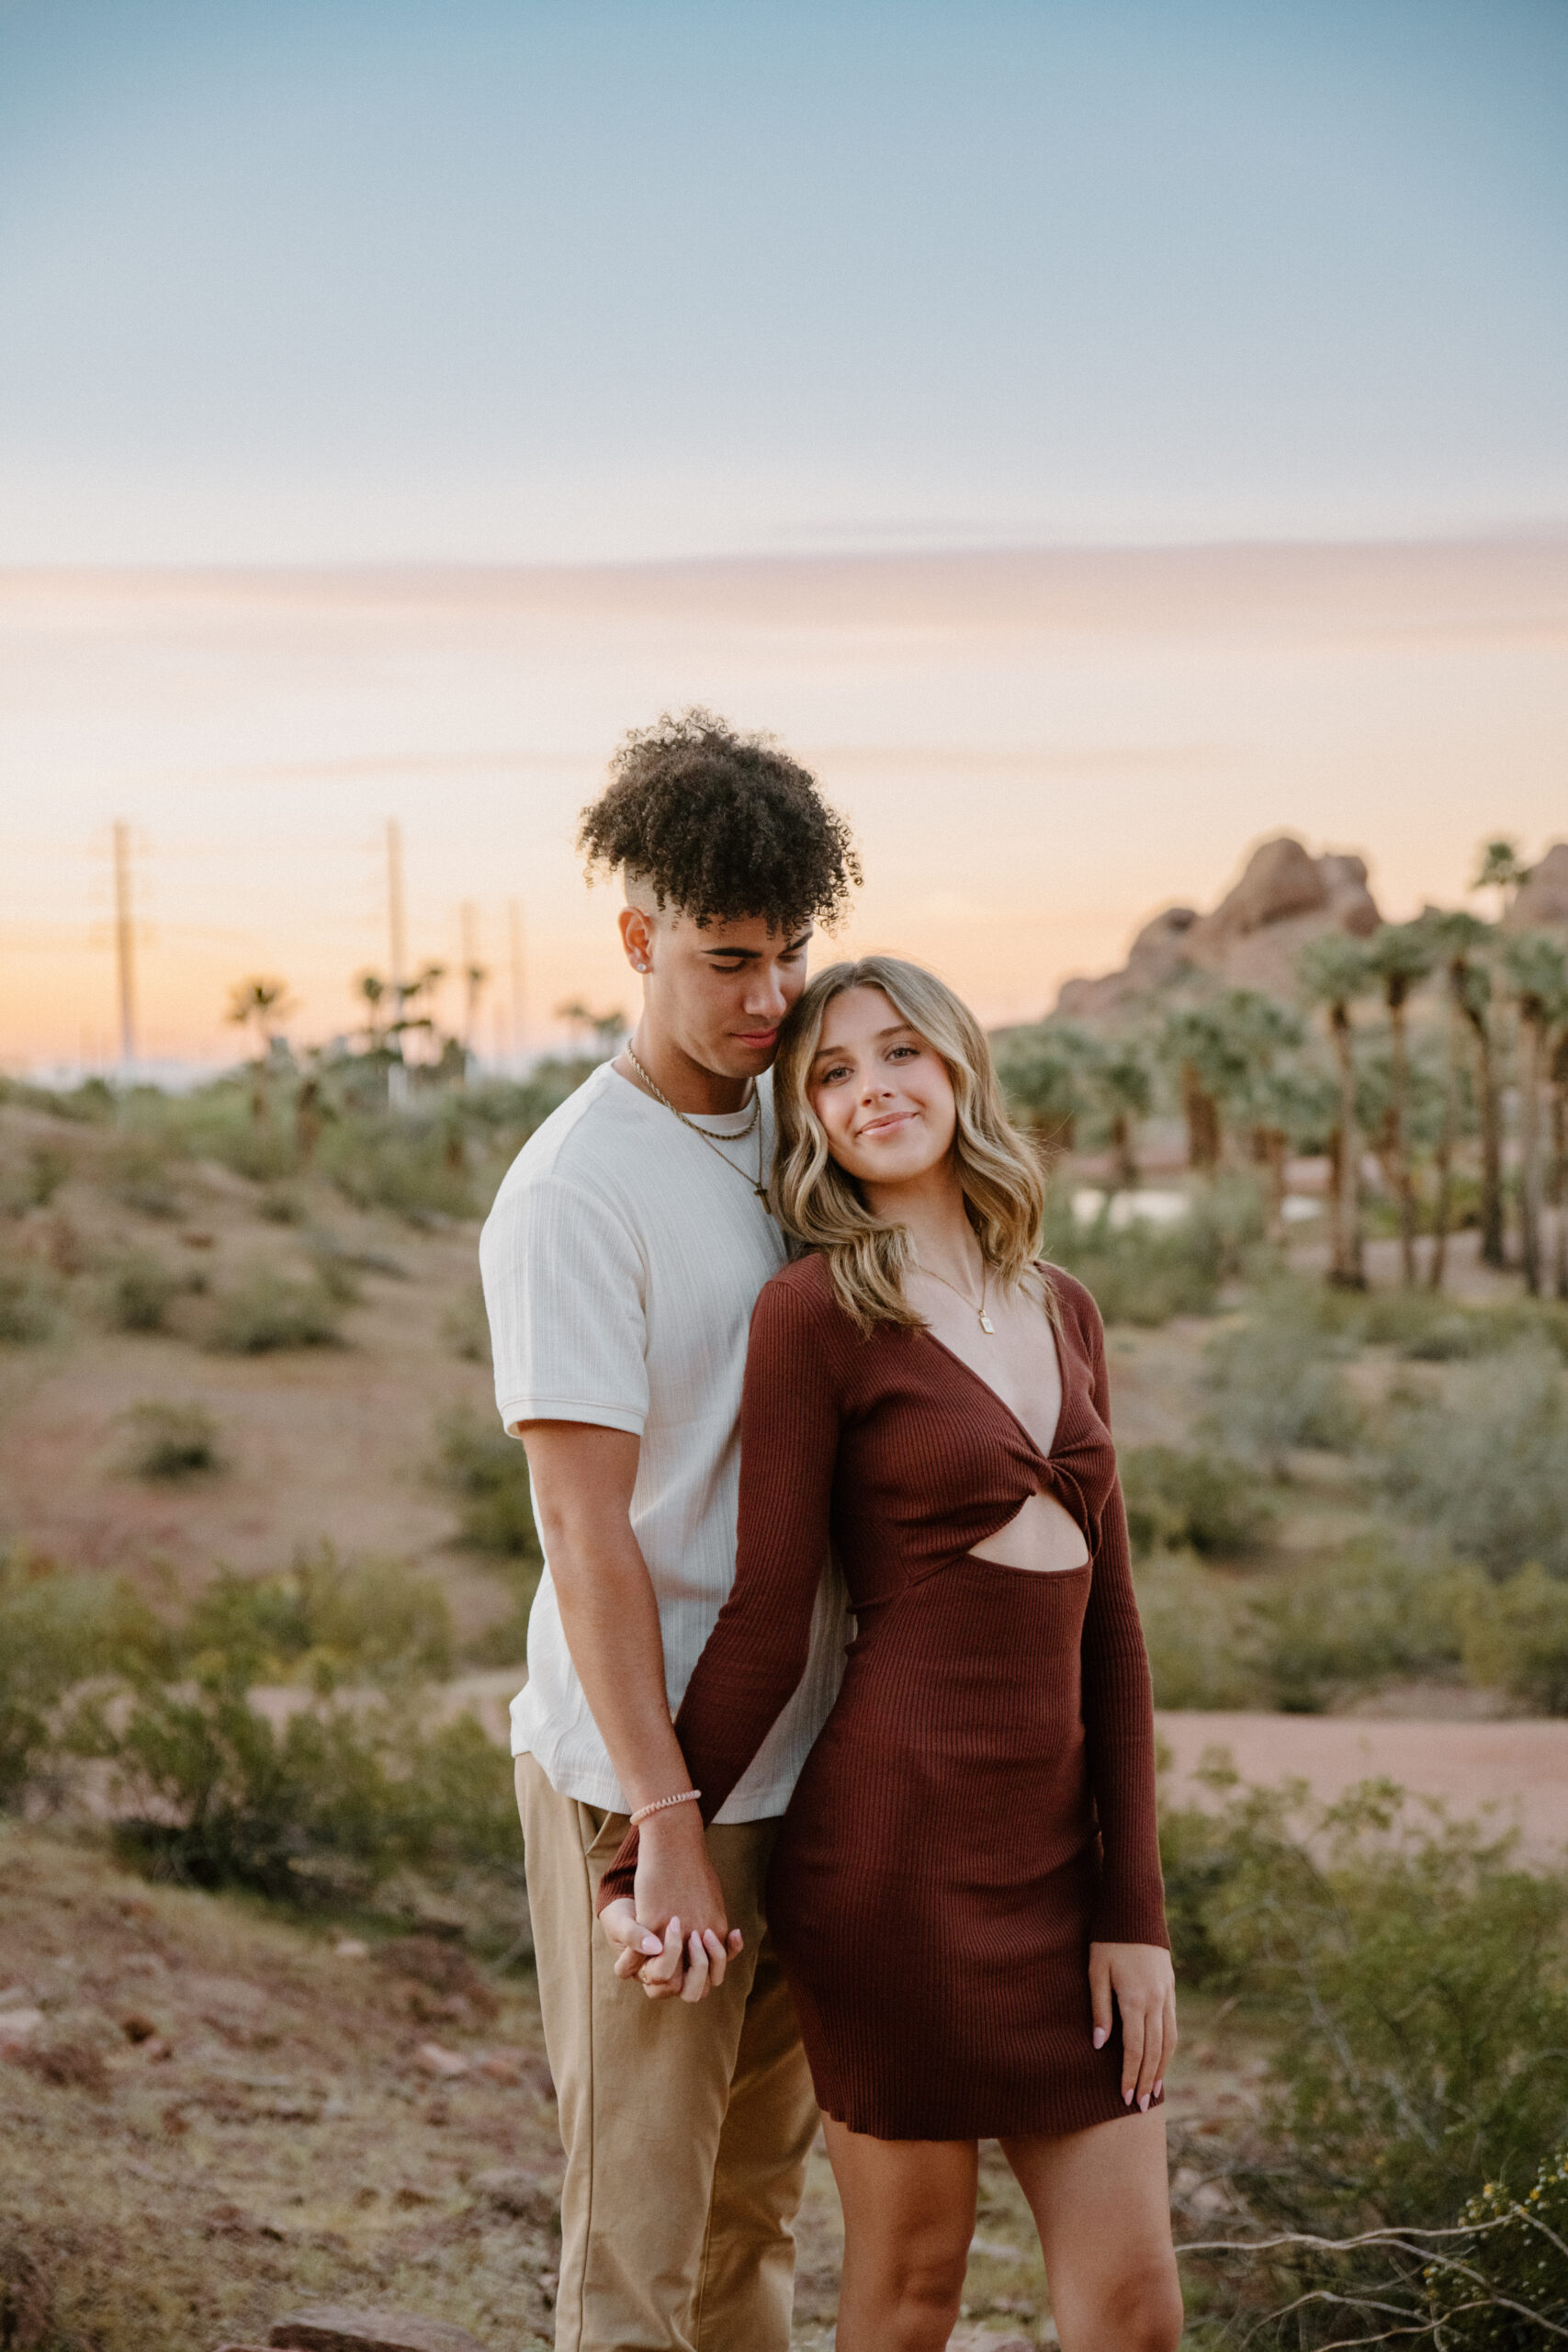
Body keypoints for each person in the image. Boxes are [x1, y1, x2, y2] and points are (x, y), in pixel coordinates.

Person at [600, 955, 1183, 2352]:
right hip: (892, 1868)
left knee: (1137, 2309)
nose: (874, 1091)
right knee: (911, 2291)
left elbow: (1113, 1630)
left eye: (900, 1054)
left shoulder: (1065, 1305)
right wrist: (649, 1849)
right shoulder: (816, 1316)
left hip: (1058, 1879)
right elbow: (762, 1613)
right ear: (806, 1120)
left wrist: (1136, 1912)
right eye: (833, 1074)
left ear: (960, 1068)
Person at [478, 710, 862, 2352]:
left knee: (752, 2229)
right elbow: (586, 1533)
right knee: (635, 2240)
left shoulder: (792, 1129)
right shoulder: (577, 1190)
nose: (769, 1000)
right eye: (725, 961)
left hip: (806, 1758)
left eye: (787, 957)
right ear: (637, 941)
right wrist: (667, 1816)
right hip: (643, 1779)